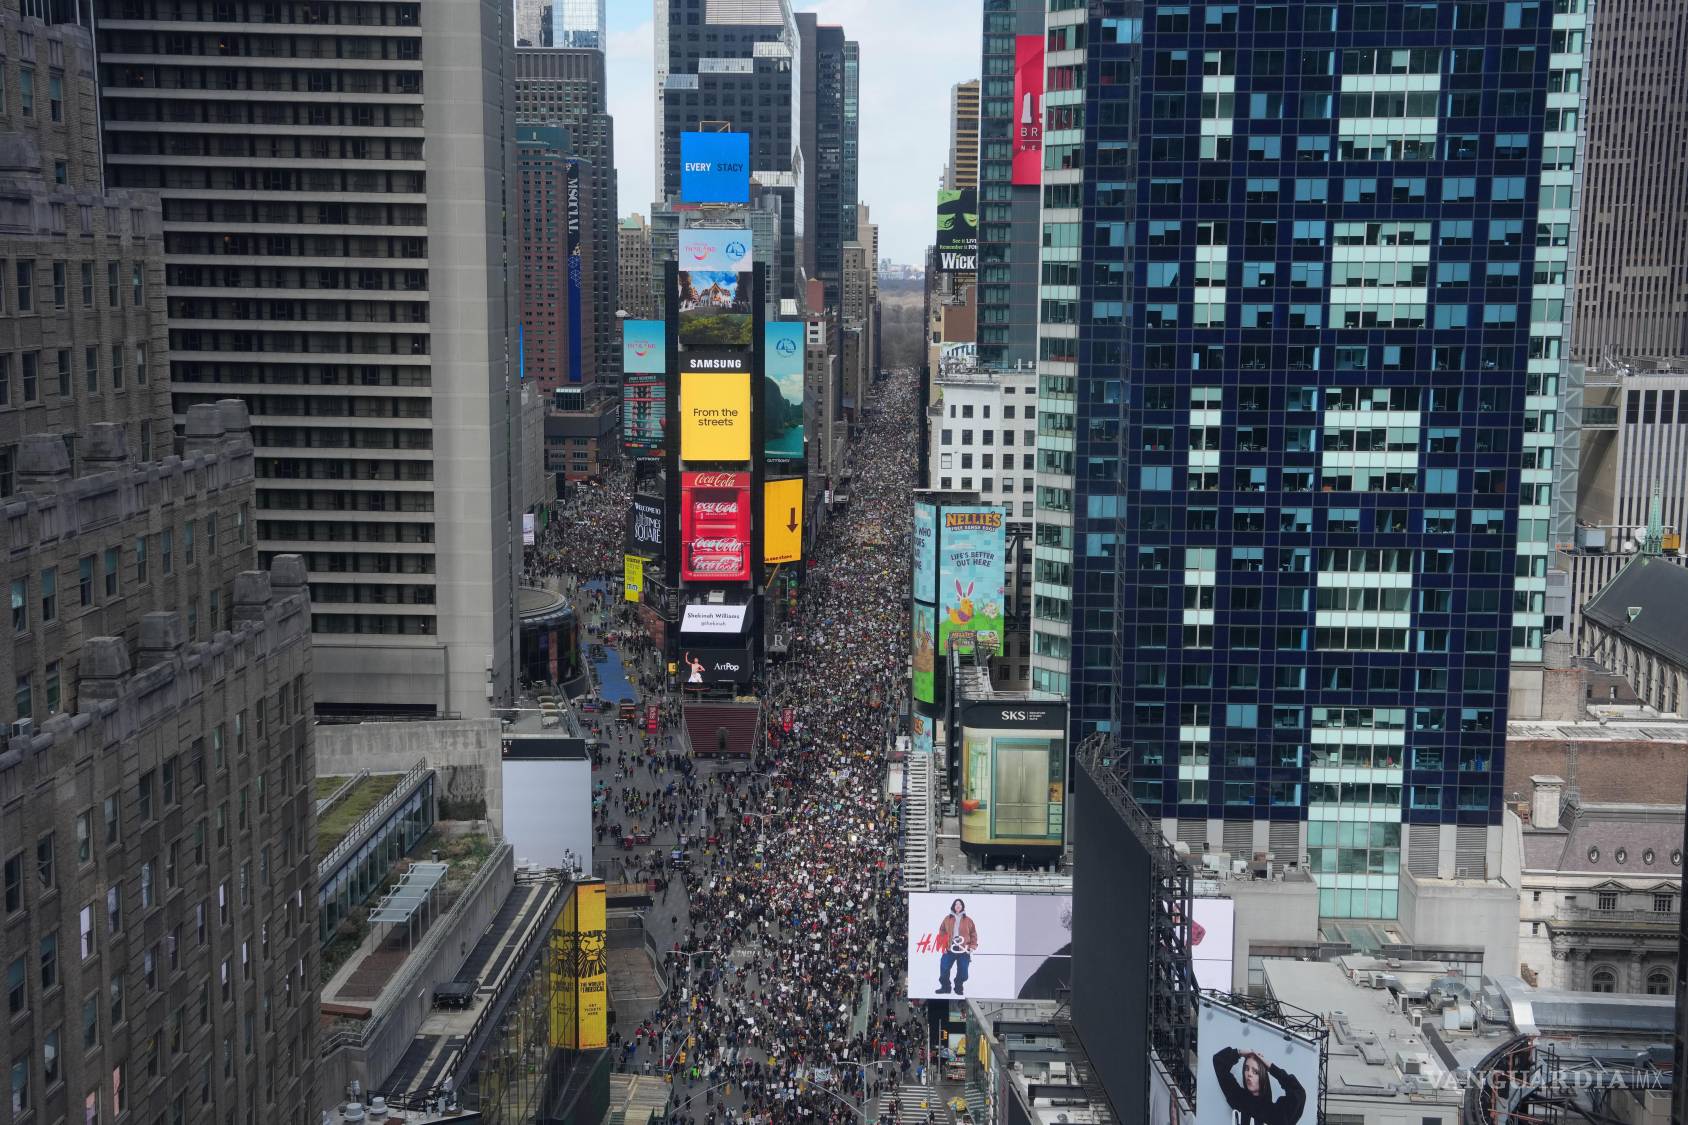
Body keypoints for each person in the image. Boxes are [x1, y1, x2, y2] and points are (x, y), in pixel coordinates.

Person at [1211, 1046, 1307, 1125]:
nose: (1249, 1074)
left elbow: (1299, 1093)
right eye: (1246, 1068)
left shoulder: (1276, 1112)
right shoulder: (1239, 1099)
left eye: (1255, 1072)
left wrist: (1271, 1067)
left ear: (1263, 1076)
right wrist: (1239, 1052)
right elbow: (1218, 1061)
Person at [934, 898, 977, 996]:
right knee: (944, 968)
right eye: (956, 904)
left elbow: (973, 934)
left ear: (962, 907)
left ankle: (958, 986)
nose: (958, 906)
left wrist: (972, 946)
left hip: (963, 950)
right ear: (953, 906)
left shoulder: (968, 920)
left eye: (960, 904)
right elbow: (942, 931)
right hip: (950, 948)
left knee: (964, 973)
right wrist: (943, 946)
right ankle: (945, 987)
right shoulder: (947, 919)